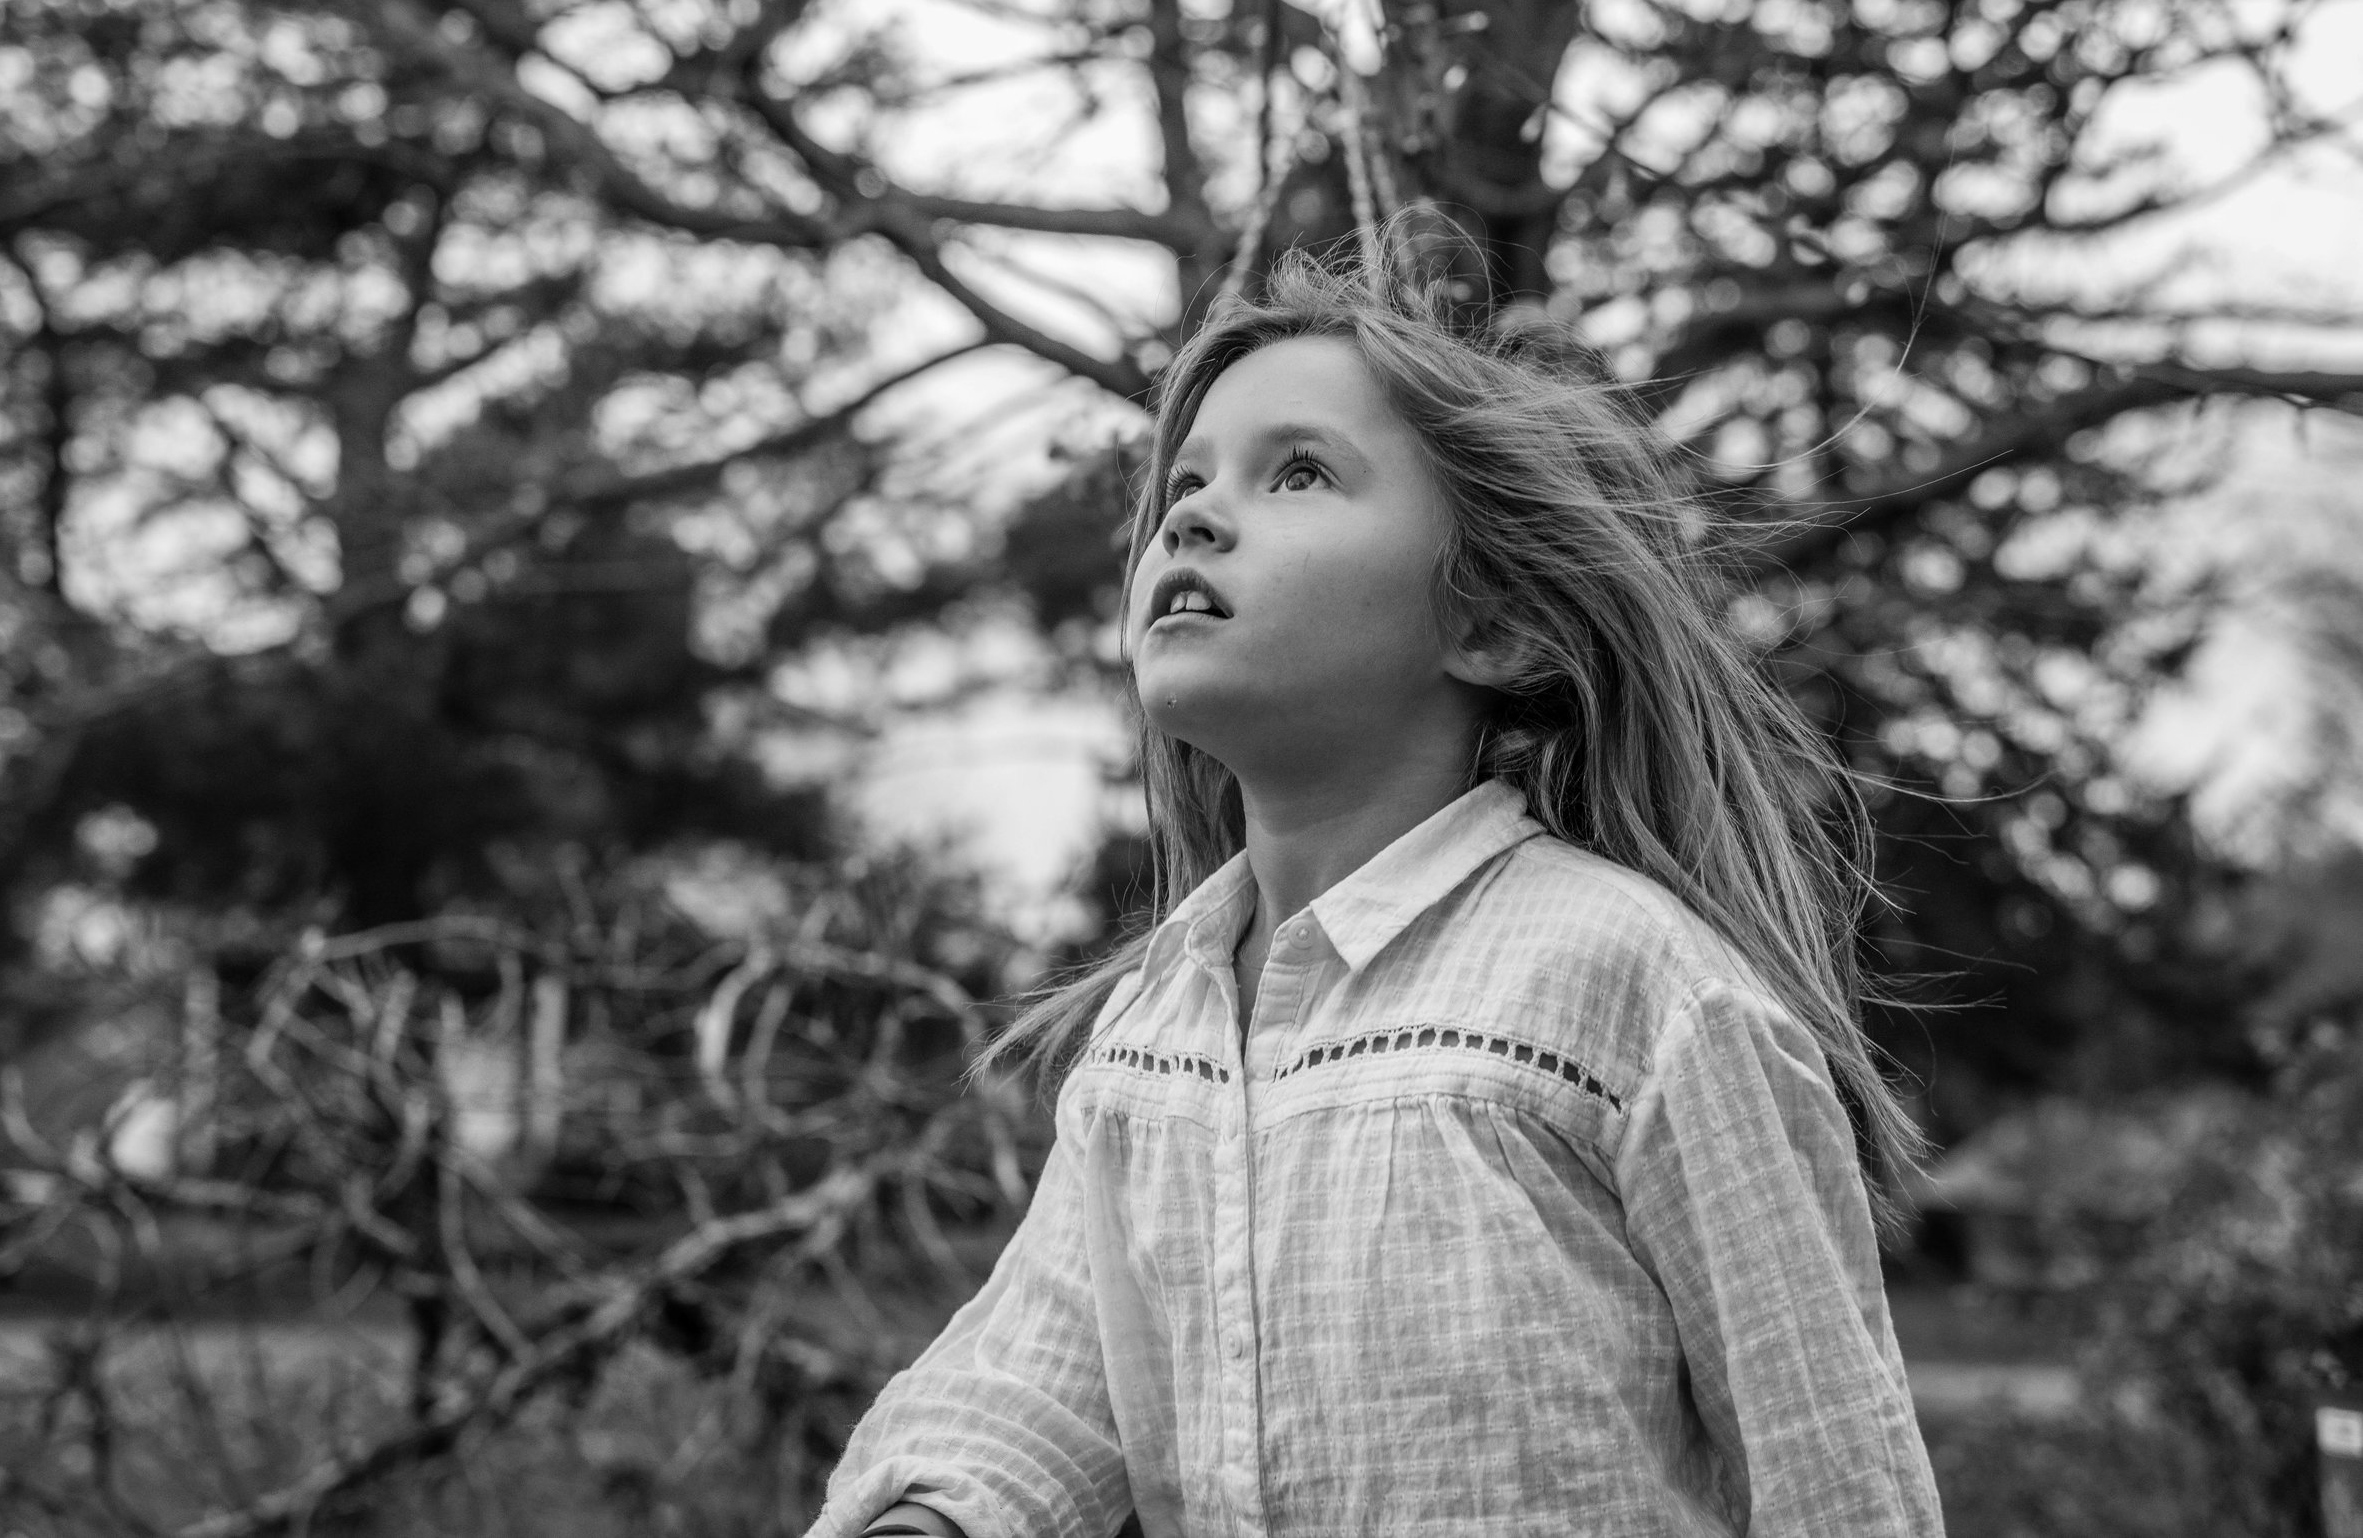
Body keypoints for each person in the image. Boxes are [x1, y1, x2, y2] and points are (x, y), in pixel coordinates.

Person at [809, 222, 1945, 1538]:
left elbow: (1834, 1476)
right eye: (1187, 480)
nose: (1190, 511)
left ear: (1491, 623)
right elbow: (1035, 1390)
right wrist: (933, 1518)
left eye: (1297, 475)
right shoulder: (1153, 1036)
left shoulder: (1637, 989)